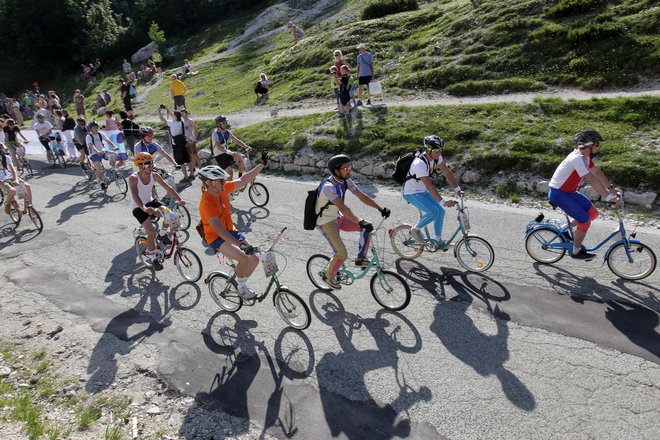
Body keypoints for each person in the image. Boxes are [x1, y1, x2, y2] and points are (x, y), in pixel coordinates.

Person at [316, 154, 390, 289]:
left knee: (367, 227)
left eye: (349, 167)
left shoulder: (345, 181)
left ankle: (360, 259)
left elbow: (362, 196)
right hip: (325, 222)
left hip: (336, 217)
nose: (349, 170)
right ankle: (328, 277)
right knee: (342, 253)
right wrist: (358, 220)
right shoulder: (328, 186)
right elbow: (342, 207)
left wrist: (380, 208)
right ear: (336, 171)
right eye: (345, 168)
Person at [548, 130, 621, 260]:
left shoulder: (585, 157)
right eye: (597, 144)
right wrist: (608, 197)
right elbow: (591, 179)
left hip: (569, 192)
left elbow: (596, 173)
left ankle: (564, 229)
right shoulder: (577, 159)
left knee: (593, 214)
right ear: (589, 145)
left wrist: (611, 189)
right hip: (559, 194)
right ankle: (576, 251)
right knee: (584, 221)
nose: (598, 146)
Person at [198, 161, 266, 299]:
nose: (225, 181)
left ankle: (240, 283)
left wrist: (261, 165)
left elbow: (242, 180)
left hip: (230, 230)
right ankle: (242, 289)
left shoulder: (222, 189)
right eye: (221, 180)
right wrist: (240, 245)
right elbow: (219, 231)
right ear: (210, 183)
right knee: (243, 258)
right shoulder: (206, 204)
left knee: (254, 258)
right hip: (216, 237)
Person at [402, 135, 462, 246]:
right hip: (411, 192)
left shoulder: (437, 158)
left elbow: (447, 172)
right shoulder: (419, 163)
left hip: (422, 191)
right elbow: (429, 185)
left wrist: (458, 189)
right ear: (428, 150)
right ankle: (414, 229)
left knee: (441, 212)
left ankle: (437, 241)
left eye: (440, 150)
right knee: (434, 212)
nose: (439, 153)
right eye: (436, 150)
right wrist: (443, 202)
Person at [130, 152, 185, 271]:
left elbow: (168, 188)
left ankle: (162, 235)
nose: (151, 166)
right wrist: (144, 208)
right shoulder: (133, 178)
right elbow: (135, 195)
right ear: (140, 166)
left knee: (169, 214)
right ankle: (153, 257)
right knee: (150, 233)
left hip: (151, 201)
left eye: (151, 164)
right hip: (138, 207)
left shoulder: (154, 176)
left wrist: (179, 199)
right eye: (148, 164)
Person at [158, 106, 192, 180]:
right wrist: (167, 109)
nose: (171, 115)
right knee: (188, 160)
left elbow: (162, 119)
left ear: (175, 116)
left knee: (181, 162)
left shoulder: (172, 123)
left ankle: (186, 177)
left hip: (176, 145)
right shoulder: (181, 121)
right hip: (183, 142)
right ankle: (191, 174)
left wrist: (159, 111)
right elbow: (173, 115)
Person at [211, 115, 249, 181]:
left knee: (241, 158)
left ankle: (239, 179)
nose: (226, 124)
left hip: (226, 153)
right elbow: (218, 146)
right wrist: (230, 152)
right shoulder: (215, 133)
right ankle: (229, 190)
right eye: (224, 123)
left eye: (226, 122)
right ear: (219, 124)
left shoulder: (227, 132)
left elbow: (236, 140)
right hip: (219, 155)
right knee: (230, 174)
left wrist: (246, 146)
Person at [86, 121, 120, 190]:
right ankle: (101, 182)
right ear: (91, 129)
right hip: (94, 154)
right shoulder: (88, 136)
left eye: (97, 127)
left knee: (114, 154)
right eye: (94, 128)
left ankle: (113, 169)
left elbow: (107, 140)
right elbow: (91, 145)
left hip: (103, 151)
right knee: (98, 167)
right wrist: (97, 151)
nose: (96, 129)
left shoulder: (101, 134)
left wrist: (115, 146)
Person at [1, 142, 33, 215]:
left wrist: (16, 179)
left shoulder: (6, 157)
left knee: (27, 186)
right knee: (12, 191)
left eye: (1, 147)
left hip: (9, 176)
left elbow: (13, 170)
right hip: (1, 179)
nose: (1, 149)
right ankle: (7, 204)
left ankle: (30, 207)